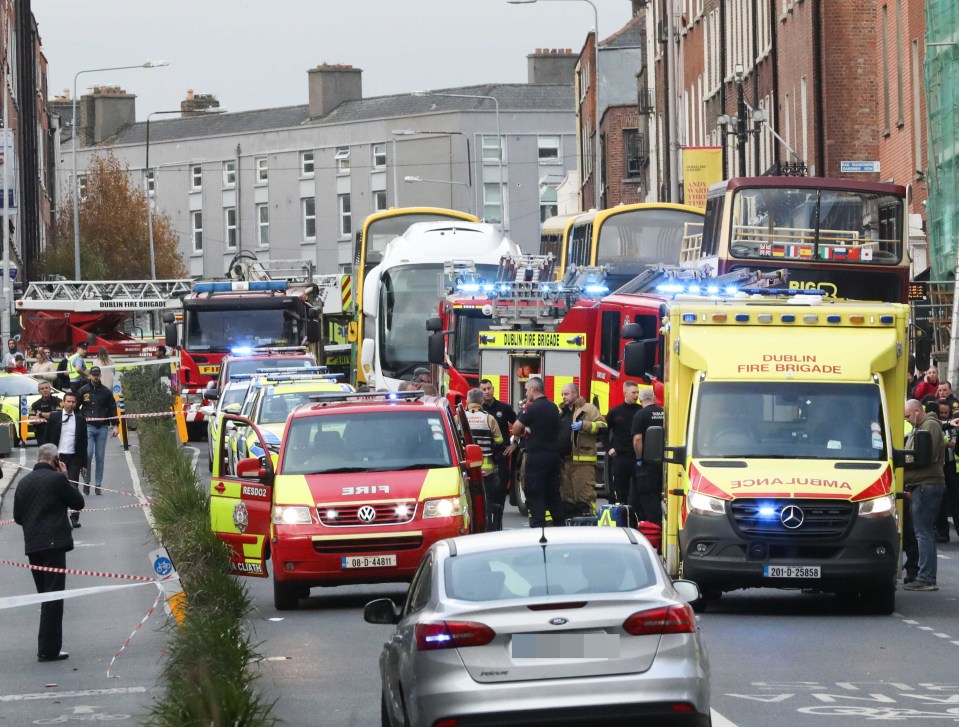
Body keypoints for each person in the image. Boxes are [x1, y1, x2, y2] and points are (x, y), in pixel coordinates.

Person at [12, 442, 85, 662]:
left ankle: (46, 646)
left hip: (33, 546)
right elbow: (78, 502)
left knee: (45, 596)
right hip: (54, 545)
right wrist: (65, 477)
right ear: (55, 460)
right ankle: (48, 649)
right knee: (54, 597)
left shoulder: (23, 483)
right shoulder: (57, 479)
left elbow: (17, 517)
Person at [903, 398, 946, 591]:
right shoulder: (921, 426)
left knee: (923, 533)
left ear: (917, 412)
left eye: (907, 416)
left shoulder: (929, 426)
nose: (907, 420)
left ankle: (926, 577)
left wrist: (904, 467)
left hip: (926, 484)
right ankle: (924, 575)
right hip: (921, 484)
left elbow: (924, 457)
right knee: (922, 532)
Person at [512, 377, 564, 528]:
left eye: (527, 389)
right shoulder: (553, 407)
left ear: (534, 389)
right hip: (553, 456)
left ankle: (538, 526)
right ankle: (560, 525)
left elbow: (515, 428)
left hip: (537, 456)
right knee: (553, 493)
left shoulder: (531, 408)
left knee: (534, 491)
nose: (526, 392)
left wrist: (524, 430)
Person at [557, 383, 606, 517]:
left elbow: (603, 426)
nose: (563, 397)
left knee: (585, 498)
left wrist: (584, 425)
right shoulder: (562, 414)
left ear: (575, 393)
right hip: (565, 463)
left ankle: (589, 527)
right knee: (567, 500)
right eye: (562, 394)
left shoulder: (588, 409)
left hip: (583, 464)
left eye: (566, 394)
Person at [465, 388, 505, 530]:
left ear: (467, 401)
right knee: (486, 500)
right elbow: (499, 440)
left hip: (466, 469)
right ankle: (487, 527)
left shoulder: (460, 417)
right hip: (486, 470)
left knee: (467, 500)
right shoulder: (489, 418)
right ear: (482, 401)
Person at [45, 392, 88, 528]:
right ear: (63, 402)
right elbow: (47, 438)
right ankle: (59, 518)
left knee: (73, 487)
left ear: (76, 403)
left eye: (73, 402)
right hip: (57, 457)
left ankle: (75, 517)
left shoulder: (81, 420)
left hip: (74, 457)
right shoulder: (54, 417)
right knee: (56, 488)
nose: (70, 404)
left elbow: (84, 443)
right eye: (68, 401)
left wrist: (84, 463)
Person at [77, 366, 119, 496]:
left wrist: (115, 425)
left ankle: (98, 485)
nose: (95, 377)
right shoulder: (83, 390)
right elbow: (75, 406)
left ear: (100, 376)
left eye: (97, 375)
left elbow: (112, 408)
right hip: (88, 426)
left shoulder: (106, 392)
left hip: (102, 427)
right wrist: (78, 421)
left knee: (100, 457)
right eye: (93, 375)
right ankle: (87, 482)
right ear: (89, 375)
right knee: (88, 455)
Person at [605, 381, 642, 505]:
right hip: (621, 457)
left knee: (638, 492)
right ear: (625, 393)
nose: (636, 395)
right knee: (621, 491)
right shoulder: (615, 412)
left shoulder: (641, 411)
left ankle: (638, 519)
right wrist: (609, 448)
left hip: (637, 457)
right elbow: (604, 431)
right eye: (633, 392)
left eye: (637, 392)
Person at [631, 388, 665, 523]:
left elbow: (637, 439)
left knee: (647, 496)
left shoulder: (640, 415)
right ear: (654, 398)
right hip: (666, 463)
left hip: (647, 465)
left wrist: (639, 458)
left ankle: (653, 529)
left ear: (640, 399)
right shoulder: (664, 413)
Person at [480, 378, 517, 498]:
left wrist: (514, 443)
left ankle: (499, 505)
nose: (487, 391)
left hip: (502, 451)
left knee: (503, 481)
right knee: (486, 483)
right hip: (485, 453)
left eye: (489, 388)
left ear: (493, 389)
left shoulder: (504, 408)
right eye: (484, 389)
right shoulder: (479, 410)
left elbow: (519, 425)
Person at [30, 381, 63, 447]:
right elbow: (31, 419)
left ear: (50, 389)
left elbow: (58, 415)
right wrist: (49, 416)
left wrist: (40, 414)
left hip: (56, 433)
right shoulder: (35, 404)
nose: (45, 390)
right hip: (41, 434)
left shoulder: (58, 401)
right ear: (39, 391)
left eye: (46, 388)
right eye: (42, 389)